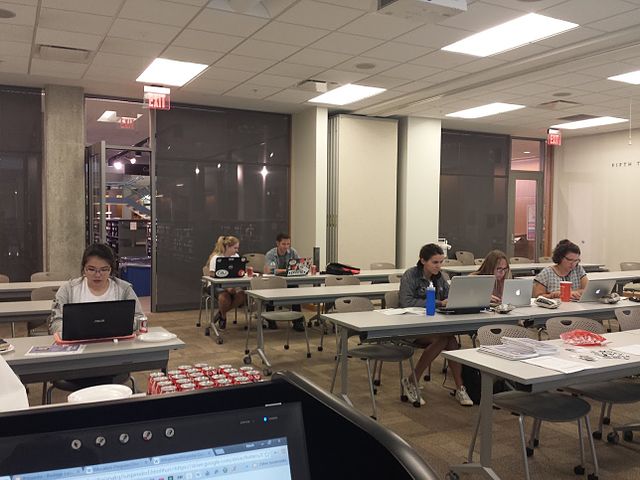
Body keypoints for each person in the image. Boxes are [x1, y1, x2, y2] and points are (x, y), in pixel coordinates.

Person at [398, 243, 473, 407]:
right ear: (422, 260)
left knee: (450, 340)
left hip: (434, 325)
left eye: (441, 262)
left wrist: (452, 300)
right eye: (435, 262)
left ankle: (459, 386)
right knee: (445, 339)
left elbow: (449, 295)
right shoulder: (410, 275)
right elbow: (406, 302)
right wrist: (439, 302)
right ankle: (412, 381)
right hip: (411, 326)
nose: (439, 266)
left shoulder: (441, 277)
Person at [49, 243, 144, 335]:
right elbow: (55, 321)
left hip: (115, 343)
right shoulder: (68, 290)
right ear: (84, 269)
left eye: (104, 270)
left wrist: (119, 326)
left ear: (110, 270)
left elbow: (139, 317)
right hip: (78, 343)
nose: (98, 275)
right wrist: (71, 331)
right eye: (91, 269)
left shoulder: (124, 289)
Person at [263, 233, 304, 332]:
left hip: (289, 281)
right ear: (277, 243)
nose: (286, 247)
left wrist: (283, 270)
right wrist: (286, 270)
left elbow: (299, 265)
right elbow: (269, 270)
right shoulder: (270, 254)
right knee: (271, 292)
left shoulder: (293, 252)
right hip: (274, 282)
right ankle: (270, 319)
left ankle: (297, 321)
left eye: (288, 244)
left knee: (295, 291)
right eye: (283, 244)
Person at [207, 235, 246, 329]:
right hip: (216, 285)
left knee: (242, 295)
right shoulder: (216, 258)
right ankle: (223, 317)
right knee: (224, 297)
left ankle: (221, 313)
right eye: (235, 248)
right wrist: (226, 287)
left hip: (232, 284)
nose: (237, 250)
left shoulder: (236, 257)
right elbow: (212, 274)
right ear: (228, 247)